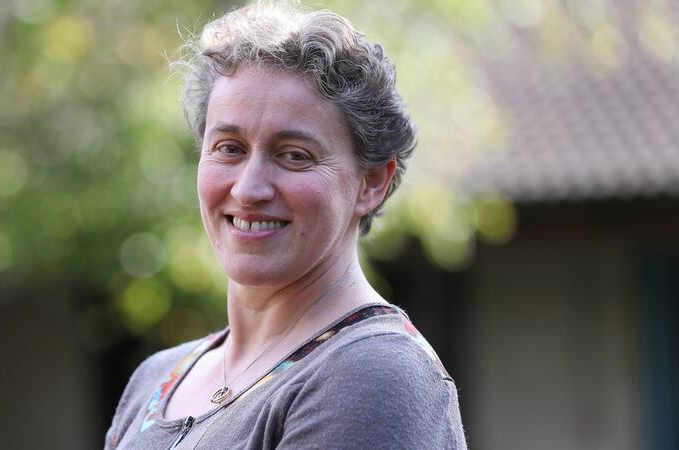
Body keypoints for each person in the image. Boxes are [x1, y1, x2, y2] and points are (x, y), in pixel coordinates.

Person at [105, 1, 466, 448]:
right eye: (229, 148)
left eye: (294, 155)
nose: (249, 189)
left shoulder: (371, 374)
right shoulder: (156, 380)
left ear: (370, 183)